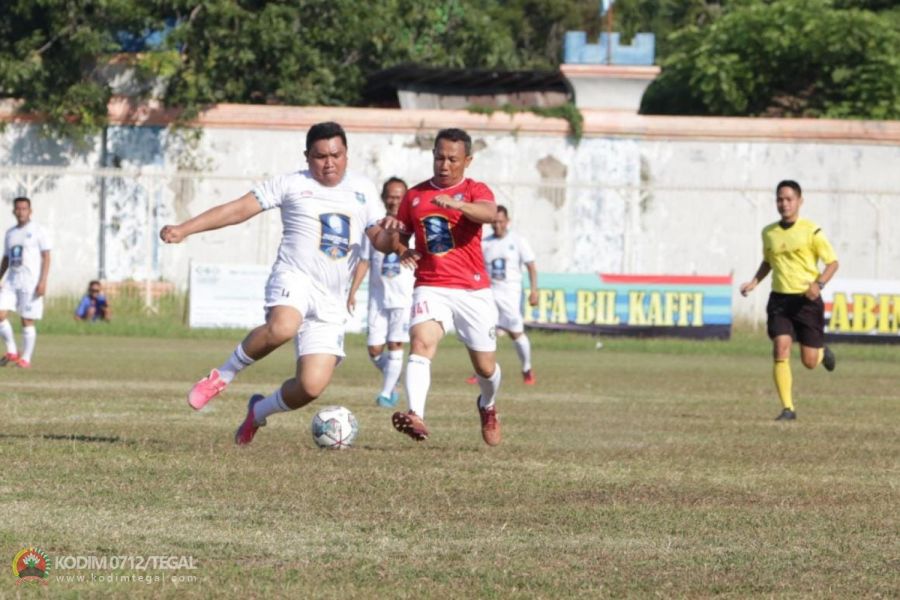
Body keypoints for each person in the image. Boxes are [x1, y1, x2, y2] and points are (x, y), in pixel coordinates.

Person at [160, 121, 389, 445]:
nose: (329, 163)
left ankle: (258, 412)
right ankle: (222, 376)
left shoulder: (364, 190)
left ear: (346, 154)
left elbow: (379, 237)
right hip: (294, 277)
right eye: (320, 156)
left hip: (331, 299)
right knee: (283, 327)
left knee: (311, 387)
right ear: (307, 156)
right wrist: (185, 228)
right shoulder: (291, 184)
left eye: (336, 155)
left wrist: (397, 241)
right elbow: (238, 209)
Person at [376, 128, 503, 446]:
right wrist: (398, 242)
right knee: (421, 342)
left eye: (452, 159)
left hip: (474, 290)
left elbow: (489, 213)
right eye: (438, 157)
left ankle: (487, 405)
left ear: (467, 161)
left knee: (485, 368)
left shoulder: (476, 189)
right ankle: (415, 414)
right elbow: (397, 240)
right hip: (431, 285)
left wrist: (457, 205)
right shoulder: (415, 196)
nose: (444, 165)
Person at [740, 180, 839, 421]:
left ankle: (821, 351)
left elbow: (832, 263)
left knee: (809, 361)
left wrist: (819, 284)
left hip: (807, 301)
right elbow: (768, 261)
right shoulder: (769, 232)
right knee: (780, 346)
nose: (784, 204)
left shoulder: (811, 231)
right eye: (780, 199)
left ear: (799, 201)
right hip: (780, 301)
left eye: (789, 199)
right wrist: (754, 282)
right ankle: (788, 409)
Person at [347, 177, 415, 408]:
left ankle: (386, 393)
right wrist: (353, 291)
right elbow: (365, 261)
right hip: (378, 297)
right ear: (384, 198)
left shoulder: (412, 227)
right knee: (375, 350)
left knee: (396, 343)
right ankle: (393, 378)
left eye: (399, 196)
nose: (394, 201)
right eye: (391, 196)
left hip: (404, 298)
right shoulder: (374, 226)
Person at [466, 205, 539, 385]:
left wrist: (534, 291)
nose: (497, 225)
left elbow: (531, 266)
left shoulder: (518, 241)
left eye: (500, 221)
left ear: (507, 222)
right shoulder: (485, 243)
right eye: (494, 222)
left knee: (516, 333)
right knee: (483, 332)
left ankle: (526, 368)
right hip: (489, 294)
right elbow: (476, 268)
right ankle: (481, 370)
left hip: (510, 295)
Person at [0, 196, 52, 369]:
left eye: (24, 208)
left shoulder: (38, 230)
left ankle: (26, 359)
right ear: (14, 211)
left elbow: (46, 257)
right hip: (12, 280)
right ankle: (12, 350)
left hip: (30, 281)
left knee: (27, 319)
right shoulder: (10, 233)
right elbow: (6, 258)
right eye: (18, 208)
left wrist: (43, 281)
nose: (21, 211)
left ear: (30, 211)